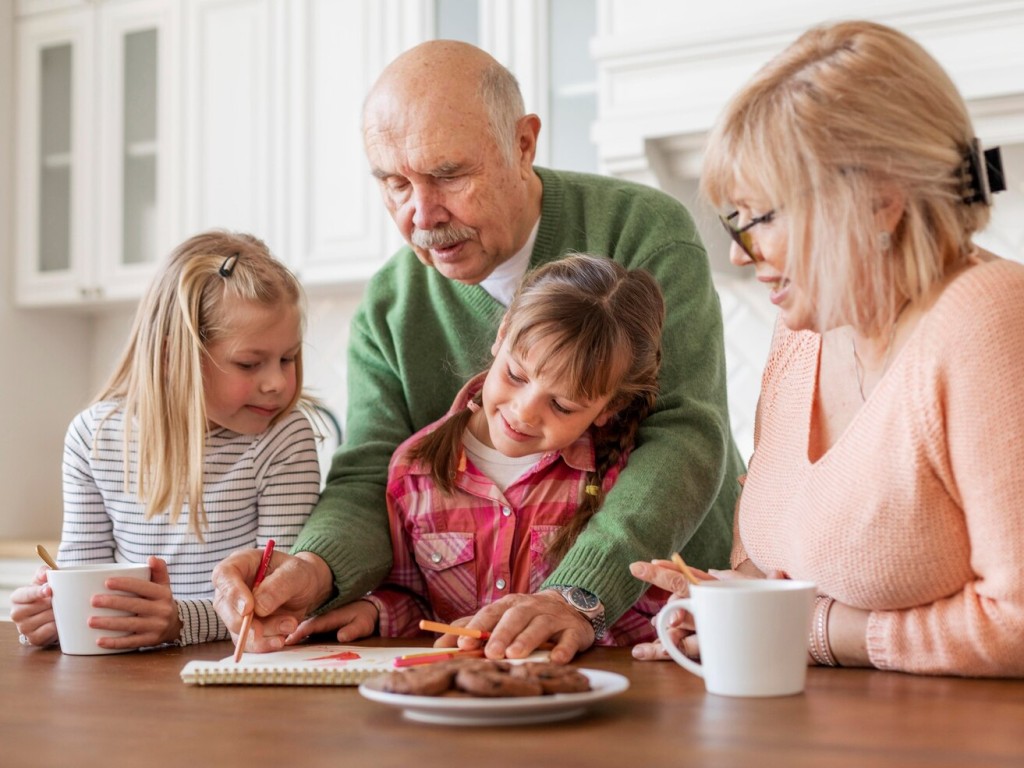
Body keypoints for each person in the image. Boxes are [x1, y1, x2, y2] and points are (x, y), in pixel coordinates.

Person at [213, 40, 744, 664]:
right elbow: (369, 473)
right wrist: (316, 566)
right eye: (394, 183)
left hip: (674, 632)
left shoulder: (641, 230)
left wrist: (577, 596)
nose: (421, 214)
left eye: (448, 175)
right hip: (499, 647)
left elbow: (684, 433)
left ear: (523, 144)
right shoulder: (390, 303)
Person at [631, 19, 1024, 677]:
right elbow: (778, 555)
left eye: (762, 219)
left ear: (879, 202)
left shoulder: (988, 319)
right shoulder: (803, 331)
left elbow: (1016, 620)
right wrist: (731, 603)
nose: (737, 252)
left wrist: (813, 631)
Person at [337, 255, 671, 650]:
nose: (524, 411)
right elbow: (414, 600)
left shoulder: (621, 478)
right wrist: (377, 612)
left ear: (609, 409)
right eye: (516, 375)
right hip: (463, 695)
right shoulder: (415, 471)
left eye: (562, 405)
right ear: (502, 333)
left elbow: (646, 611)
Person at [11, 230, 322, 650]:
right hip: (124, 684)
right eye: (250, 363)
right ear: (174, 356)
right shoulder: (95, 438)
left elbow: (282, 600)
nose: (276, 383)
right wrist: (53, 615)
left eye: (288, 358)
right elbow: (83, 578)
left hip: (236, 674)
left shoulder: (283, 438)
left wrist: (180, 621)